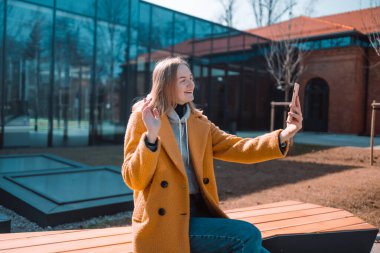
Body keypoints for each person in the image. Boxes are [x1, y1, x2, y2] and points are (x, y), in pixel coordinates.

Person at [121, 57, 303, 253]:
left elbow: (239, 147)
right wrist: (151, 136)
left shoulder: (200, 123)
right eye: (183, 80)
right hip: (165, 224)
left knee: (256, 247)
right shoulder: (143, 119)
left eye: (191, 78)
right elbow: (134, 179)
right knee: (248, 236)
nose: (192, 84)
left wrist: (286, 133)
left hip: (200, 213)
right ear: (165, 85)